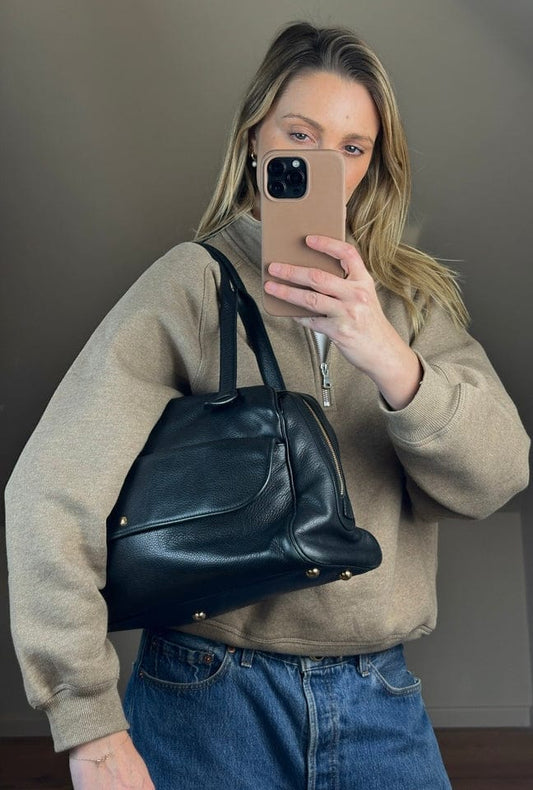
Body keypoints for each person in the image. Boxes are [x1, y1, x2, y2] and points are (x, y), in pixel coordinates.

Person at [5, 21, 530, 790]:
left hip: (380, 699)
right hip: (206, 693)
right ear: (255, 139)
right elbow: (52, 490)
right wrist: (87, 720)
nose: (324, 164)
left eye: (352, 147)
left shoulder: (406, 303)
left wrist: (384, 351)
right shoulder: (190, 284)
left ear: (371, 166)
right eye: (300, 134)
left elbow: (498, 477)